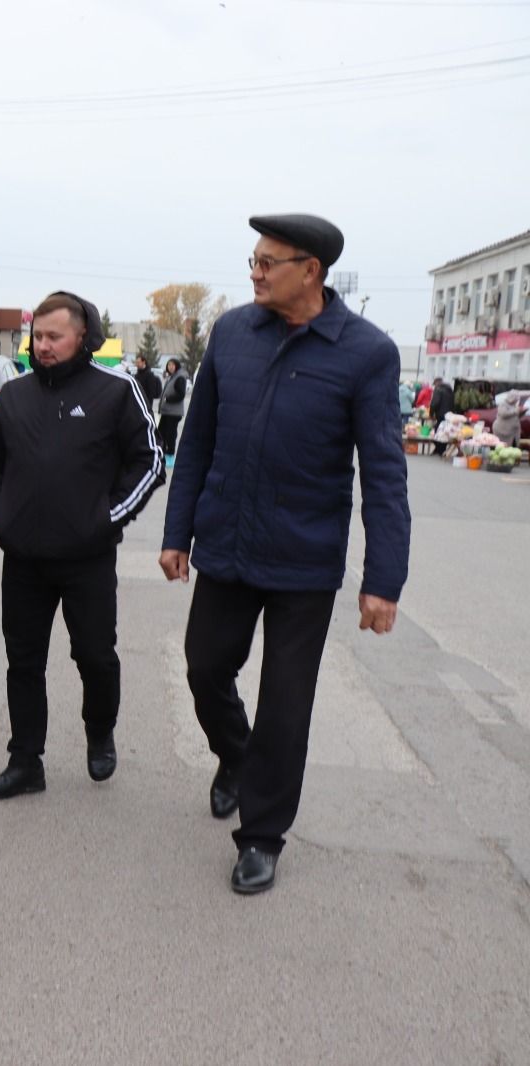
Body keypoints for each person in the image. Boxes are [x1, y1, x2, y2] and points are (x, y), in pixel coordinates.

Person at [160, 213, 410, 896]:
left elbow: (383, 473)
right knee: (205, 666)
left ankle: (262, 836)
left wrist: (383, 579)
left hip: (304, 560)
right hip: (228, 545)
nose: (256, 272)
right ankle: (237, 758)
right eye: (254, 259)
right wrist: (177, 533)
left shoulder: (366, 352)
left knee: (286, 704)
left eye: (270, 261)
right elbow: (198, 442)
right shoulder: (233, 332)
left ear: (312, 271)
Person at [0, 291, 163, 801]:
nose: (44, 345)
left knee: (96, 658)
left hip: (88, 560)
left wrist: (107, 518)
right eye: (38, 336)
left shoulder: (116, 392)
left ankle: (100, 731)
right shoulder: (14, 396)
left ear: (83, 338)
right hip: (25, 560)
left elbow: (148, 462)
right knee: (23, 662)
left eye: (55, 336)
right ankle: (25, 761)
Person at [159, 358, 190, 460]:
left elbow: (181, 394)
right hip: (168, 412)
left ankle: (170, 456)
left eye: (172, 365)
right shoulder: (173, 376)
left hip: (173, 412)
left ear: (176, 366)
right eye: (168, 365)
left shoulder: (180, 377)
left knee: (170, 434)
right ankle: (162, 453)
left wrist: (168, 399)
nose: (170, 367)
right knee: (161, 432)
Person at [430, 377, 454, 459]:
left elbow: (434, 403)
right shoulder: (450, 390)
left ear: (436, 383)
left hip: (440, 414)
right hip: (449, 415)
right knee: (445, 432)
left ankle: (438, 449)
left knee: (437, 431)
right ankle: (441, 449)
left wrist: (431, 413)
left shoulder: (438, 389)